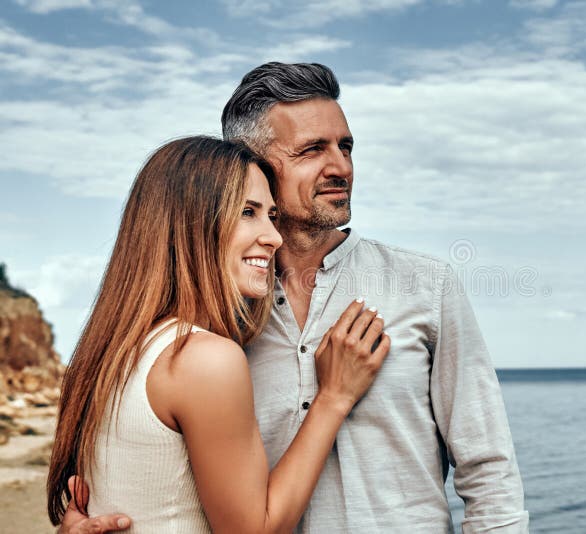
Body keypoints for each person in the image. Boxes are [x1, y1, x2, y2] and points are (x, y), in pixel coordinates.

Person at [61, 62, 529, 533]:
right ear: (252, 165)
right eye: (312, 150)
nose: (340, 166)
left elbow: (489, 472)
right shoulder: (212, 323)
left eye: (345, 147)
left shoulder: (428, 286)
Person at [47, 136, 390, 533]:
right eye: (248, 212)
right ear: (187, 222)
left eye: (272, 216)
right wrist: (334, 397)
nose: (273, 237)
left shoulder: (113, 354)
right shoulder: (203, 359)